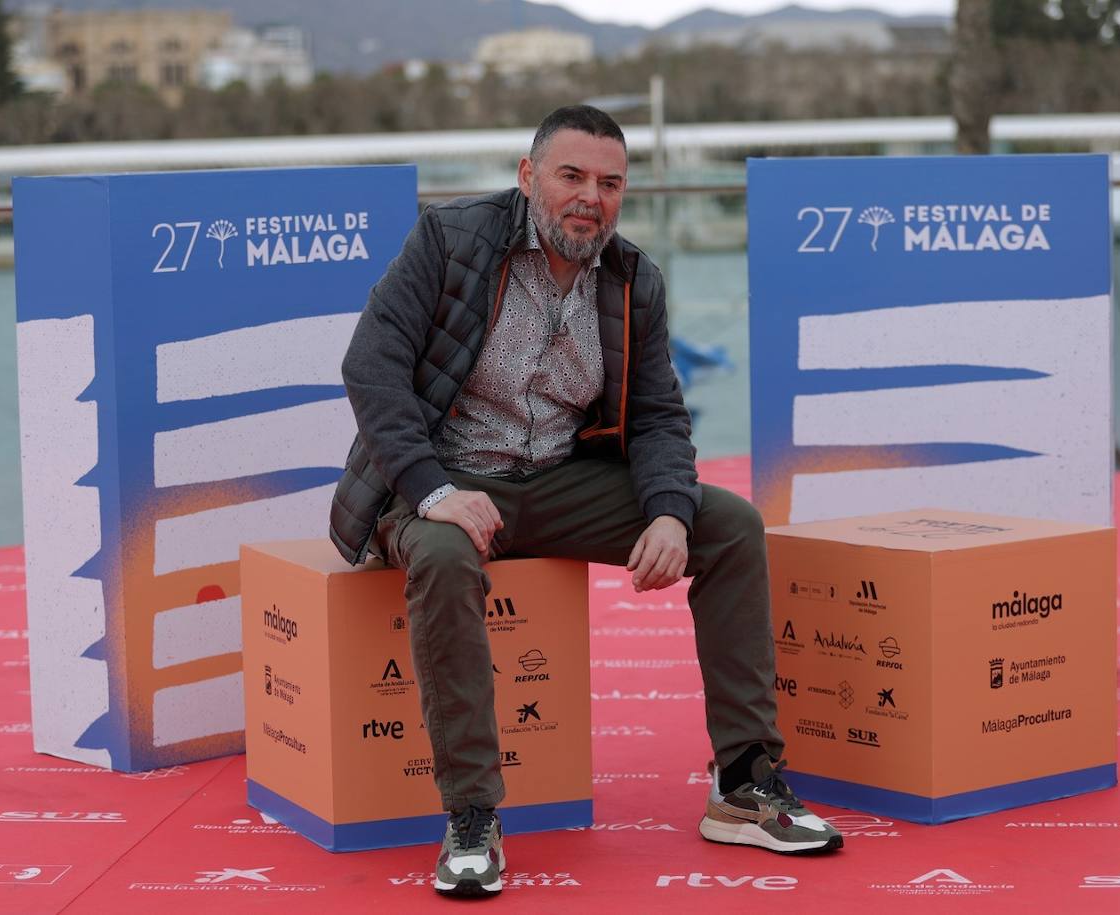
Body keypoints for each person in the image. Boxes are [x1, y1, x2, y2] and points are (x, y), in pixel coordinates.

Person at [331, 104, 842, 897]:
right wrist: (433, 490)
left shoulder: (634, 280)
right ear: (528, 176)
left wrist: (670, 510)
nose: (589, 197)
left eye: (610, 183)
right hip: (442, 477)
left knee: (730, 524)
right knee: (440, 555)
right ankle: (472, 813)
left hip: (559, 479)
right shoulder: (450, 241)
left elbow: (661, 416)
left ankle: (744, 781)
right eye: (571, 176)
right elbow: (371, 367)